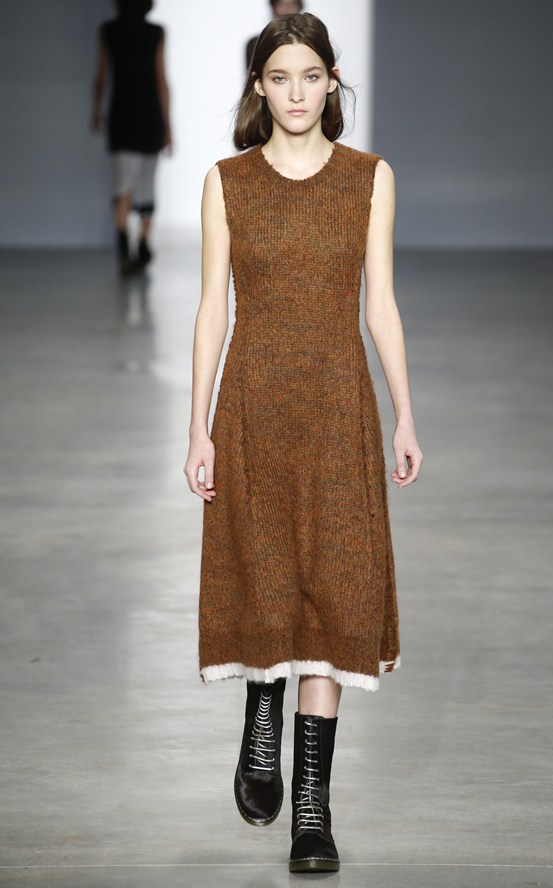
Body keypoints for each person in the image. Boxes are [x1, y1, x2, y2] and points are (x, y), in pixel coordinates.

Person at [184, 12, 423, 874]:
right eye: (279, 77)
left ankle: (312, 812)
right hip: (253, 407)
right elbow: (212, 309)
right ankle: (262, 710)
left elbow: (380, 303)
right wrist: (197, 426)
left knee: (338, 592)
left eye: (310, 76)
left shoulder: (369, 178)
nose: (295, 93)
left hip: (336, 410)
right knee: (266, 576)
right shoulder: (226, 183)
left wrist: (404, 413)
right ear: (259, 85)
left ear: (331, 82)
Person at [91, 0, 172, 276]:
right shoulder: (155, 33)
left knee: (123, 184)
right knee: (147, 182)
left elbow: (102, 76)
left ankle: (125, 246)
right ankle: (143, 243)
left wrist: (96, 111)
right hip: (150, 115)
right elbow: (161, 80)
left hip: (122, 115)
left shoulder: (109, 31)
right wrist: (168, 127)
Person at [245, 0, 305, 70]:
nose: (287, 9)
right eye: (281, 4)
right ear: (273, 7)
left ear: (300, 7)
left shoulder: (310, 41)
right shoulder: (256, 44)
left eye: (292, 4)